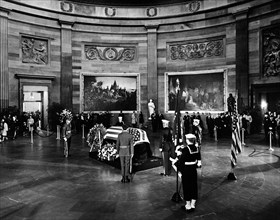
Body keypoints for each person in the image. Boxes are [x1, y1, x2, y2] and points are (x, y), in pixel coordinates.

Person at [175, 134, 201, 212]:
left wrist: (179, 169)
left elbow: (181, 161)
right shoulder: (196, 148)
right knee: (194, 186)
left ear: (187, 140)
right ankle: (193, 204)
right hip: (193, 170)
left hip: (186, 170)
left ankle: (188, 206)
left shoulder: (185, 149)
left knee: (187, 187)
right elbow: (198, 159)